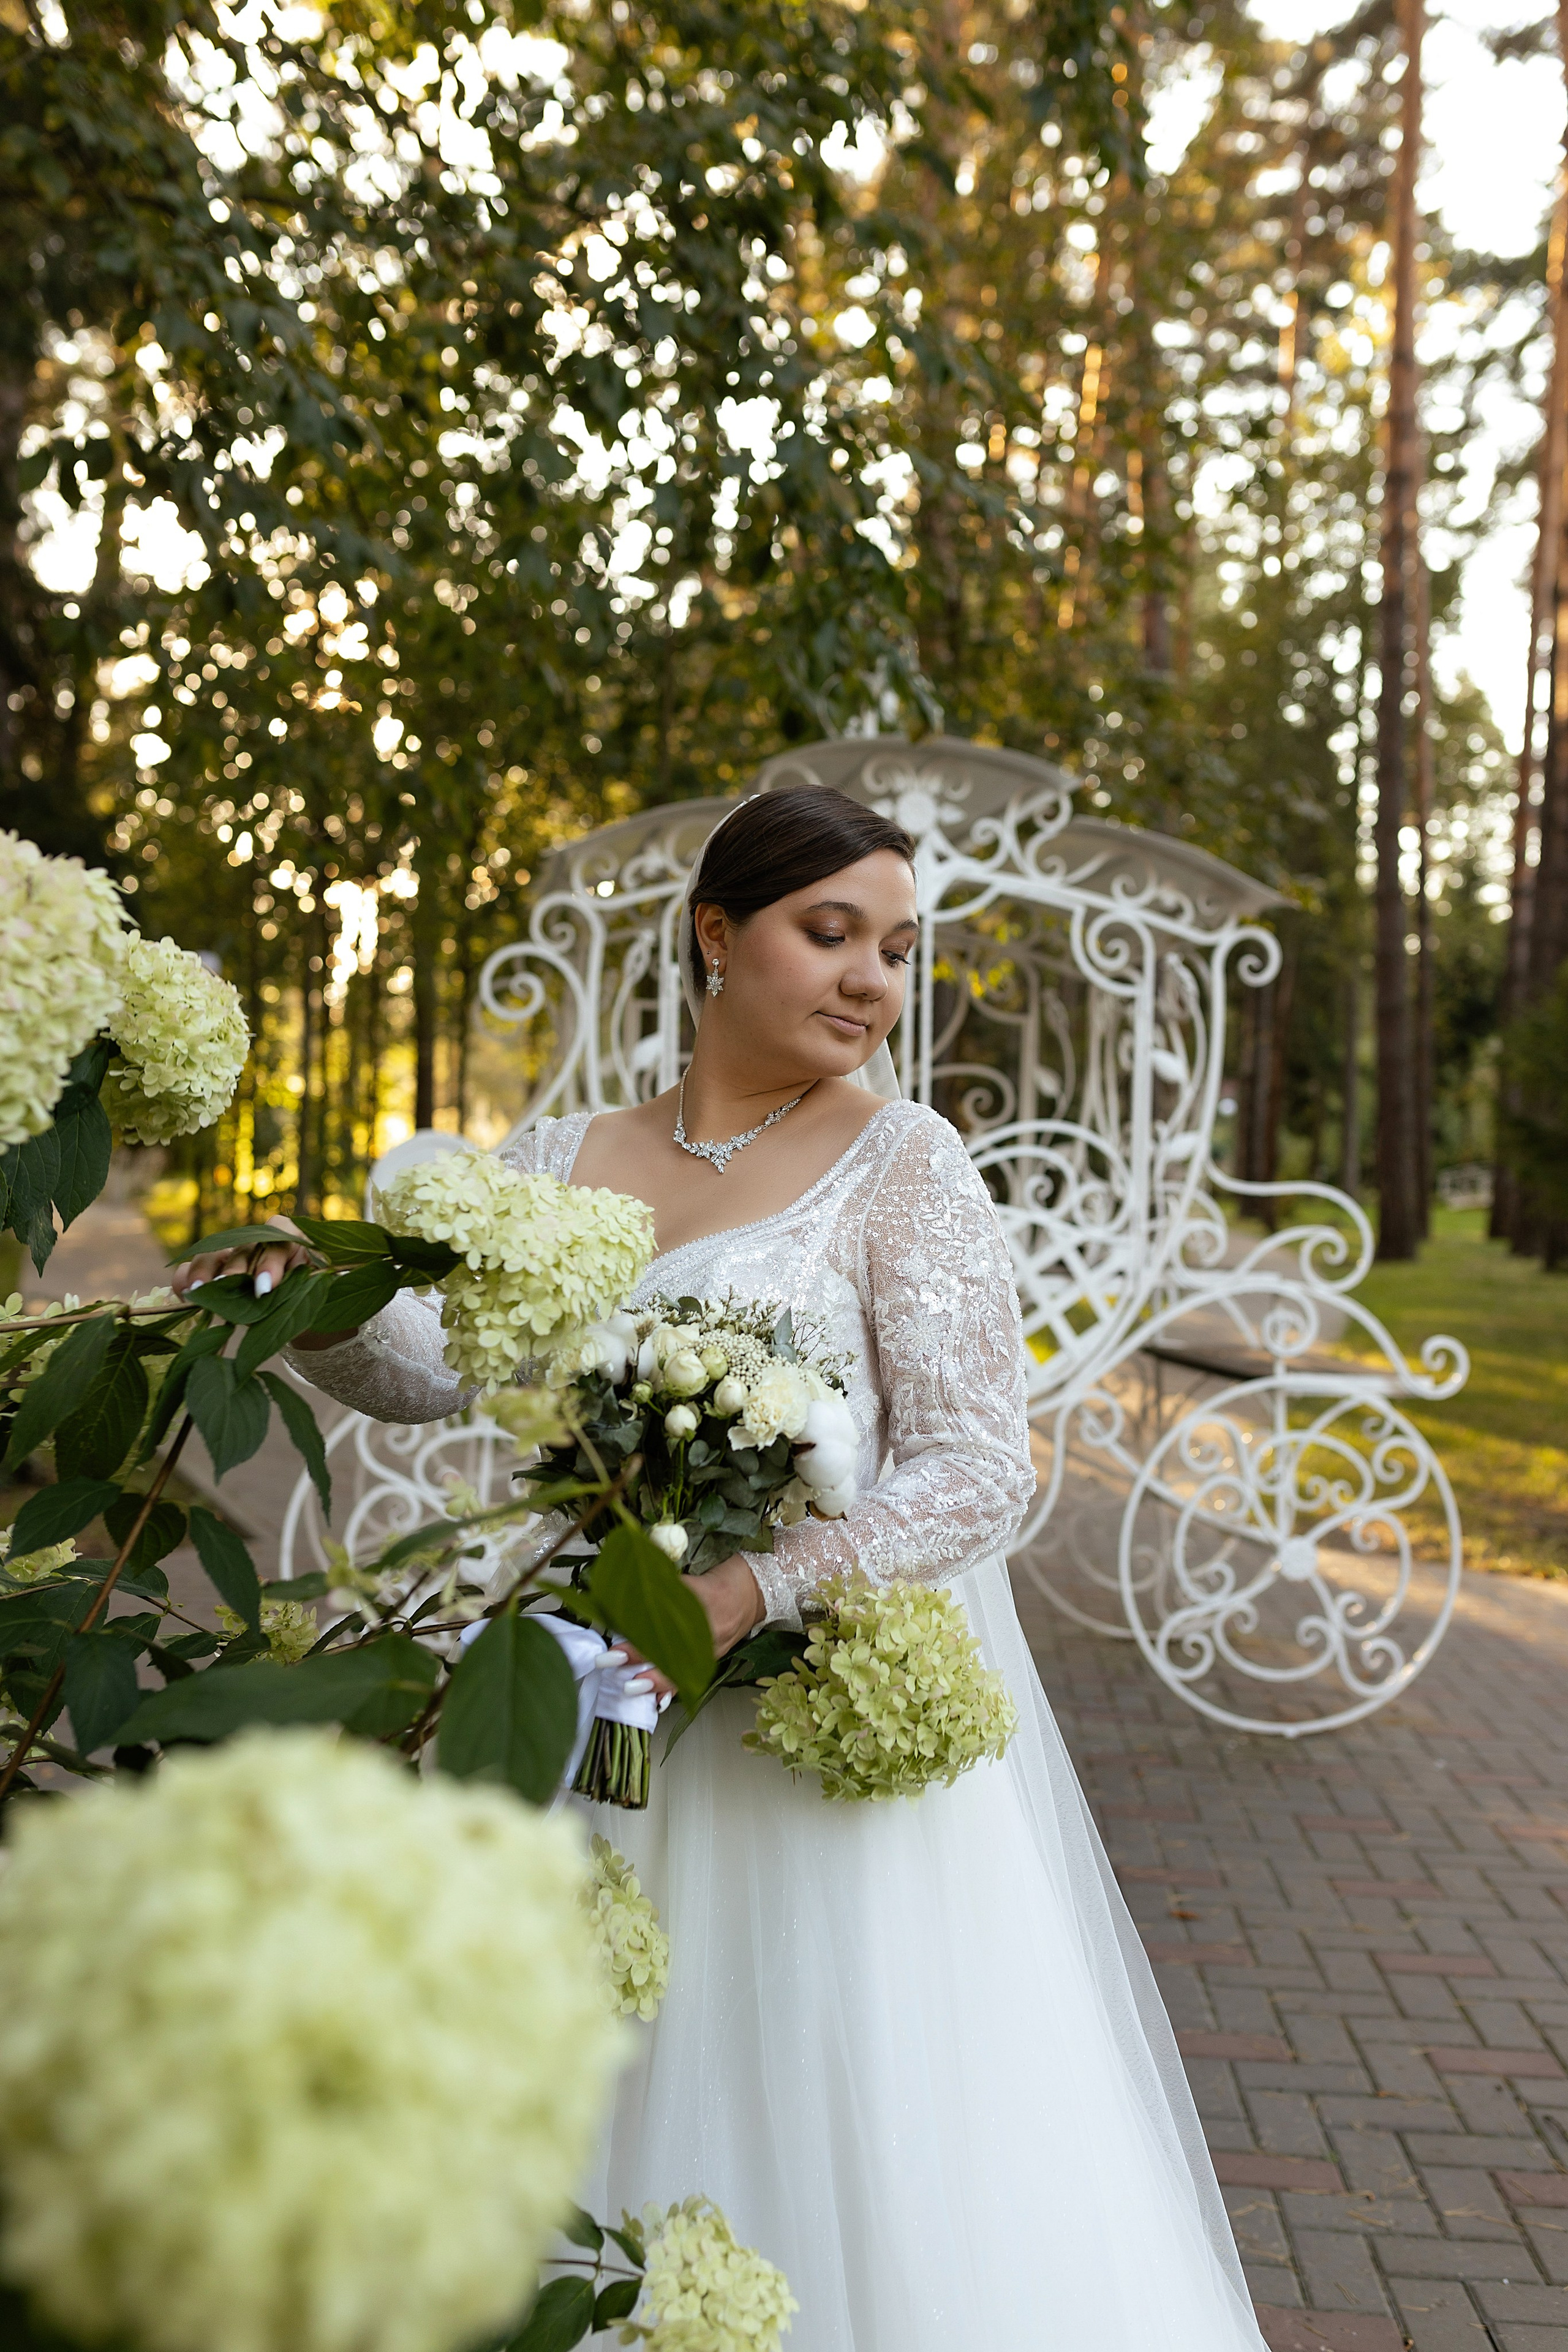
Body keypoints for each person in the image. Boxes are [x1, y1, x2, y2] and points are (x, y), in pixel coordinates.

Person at [175, 786, 1268, 2351]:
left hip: (793, 1735)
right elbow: (439, 1367)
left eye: (894, 949)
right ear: (715, 936)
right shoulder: (562, 1149)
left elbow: (974, 1465)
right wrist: (320, 1294)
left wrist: (753, 1592)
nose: (868, 982)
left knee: (830, 2119)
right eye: (828, 934)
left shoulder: (905, 1161)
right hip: (597, 1700)